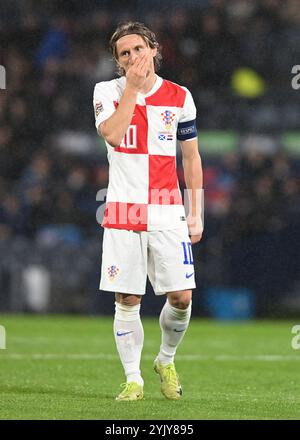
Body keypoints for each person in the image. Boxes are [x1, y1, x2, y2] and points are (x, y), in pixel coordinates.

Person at [93, 21, 204, 401]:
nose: (132, 58)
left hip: (167, 208)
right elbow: (112, 133)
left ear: (154, 49)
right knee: (127, 299)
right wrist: (134, 92)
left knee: (182, 298)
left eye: (138, 49)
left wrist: (196, 210)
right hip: (123, 208)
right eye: (124, 54)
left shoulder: (180, 96)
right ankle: (132, 378)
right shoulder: (107, 91)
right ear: (117, 62)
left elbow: (190, 157)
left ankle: (166, 359)